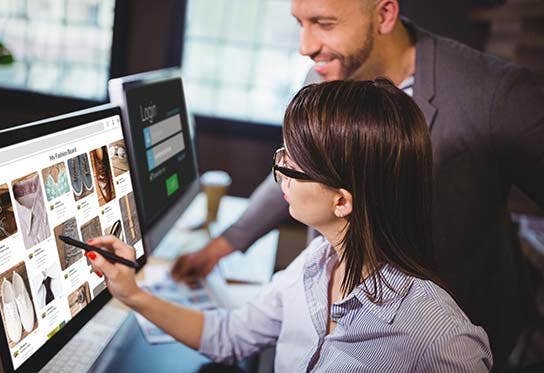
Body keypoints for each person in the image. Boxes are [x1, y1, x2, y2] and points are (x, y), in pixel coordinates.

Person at [170, 0, 544, 368]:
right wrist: (222, 246)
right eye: (300, 22)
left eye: (324, 23)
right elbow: (299, 169)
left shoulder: (496, 94)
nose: (306, 46)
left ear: (384, 14)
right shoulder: (326, 72)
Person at [88, 79, 492, 372]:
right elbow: (229, 337)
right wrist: (133, 293)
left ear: (342, 200)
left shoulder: (441, 340)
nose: (279, 168)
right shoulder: (315, 265)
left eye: (293, 165)